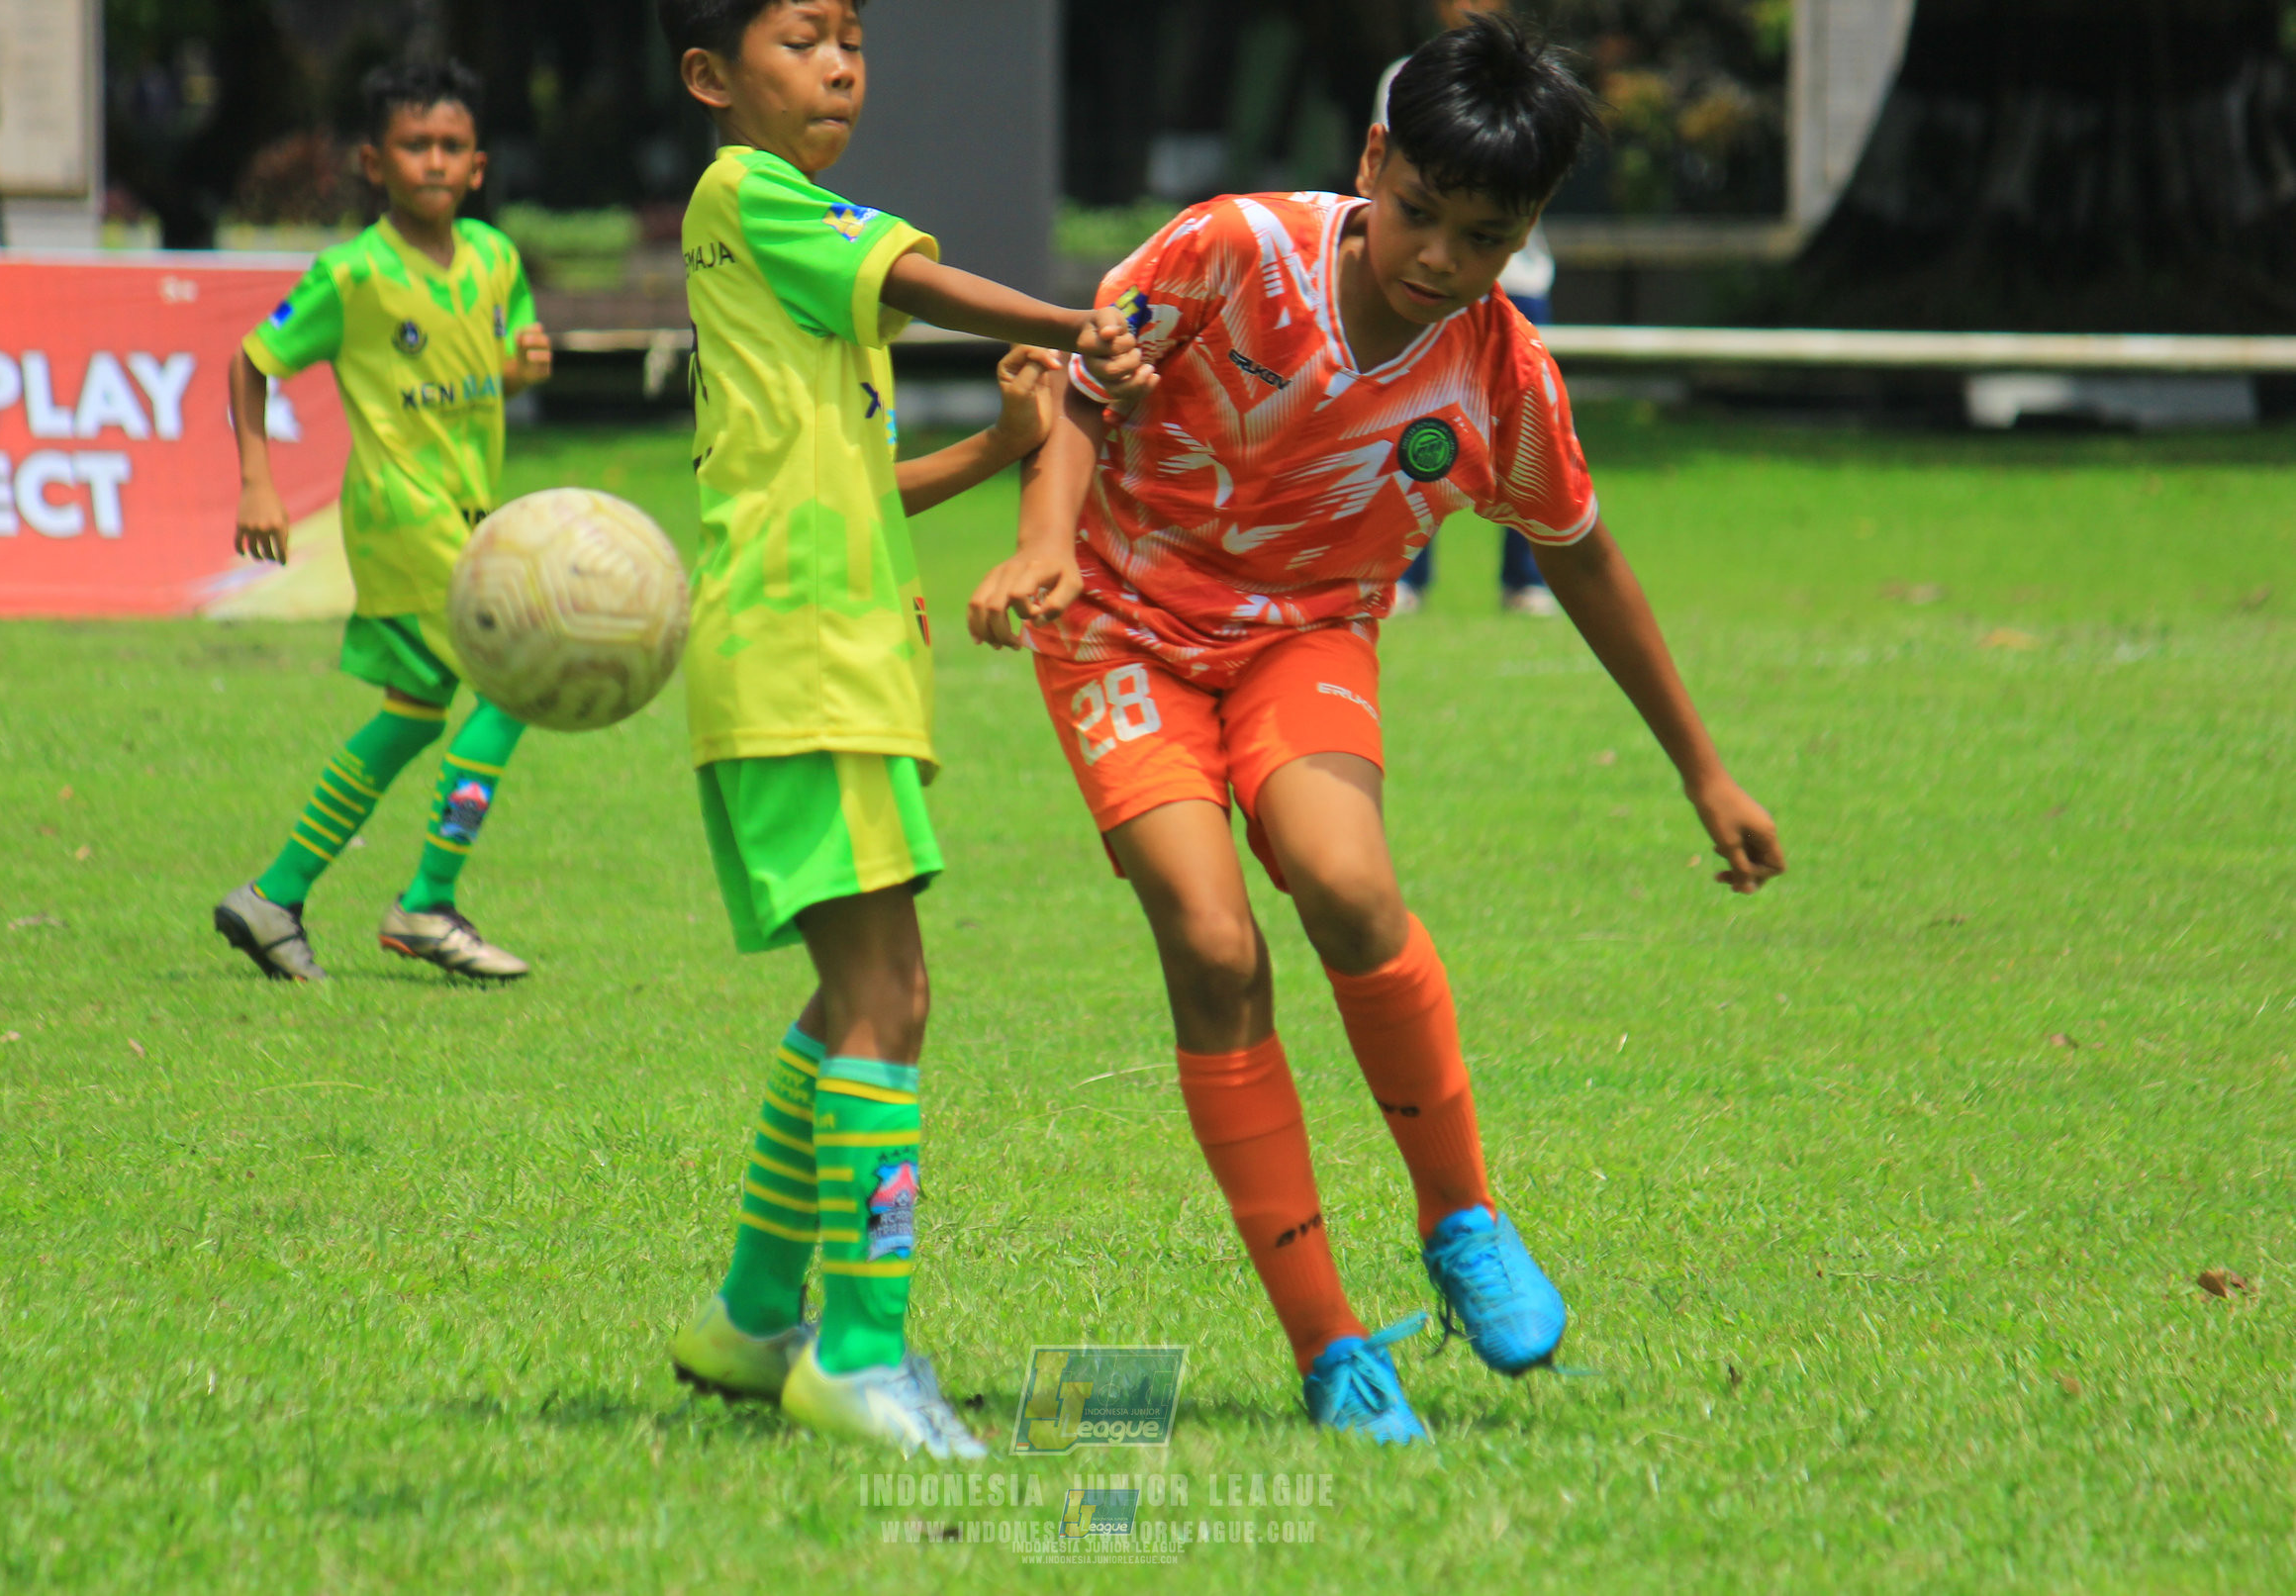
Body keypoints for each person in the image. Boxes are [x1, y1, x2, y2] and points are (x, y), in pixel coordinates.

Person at [969, 13, 1784, 1443]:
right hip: (1119, 627)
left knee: (1347, 884)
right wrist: (1045, 540)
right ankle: (1330, 1344)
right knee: (1211, 944)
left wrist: (1698, 767)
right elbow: (1081, 389)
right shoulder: (1226, 251)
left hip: (1303, 632)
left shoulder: (1497, 371)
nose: (1438, 261)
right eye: (1417, 215)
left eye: (1483, 237)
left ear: (1522, 234)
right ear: (1370, 166)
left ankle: (1460, 1218)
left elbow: (1583, 556)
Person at [650, 0, 1149, 1457]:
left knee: (847, 998)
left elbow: (851, 481)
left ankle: (748, 1322)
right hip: (805, 658)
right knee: (890, 1003)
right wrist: (1076, 325)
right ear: (709, 77)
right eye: (801, 38)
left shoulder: (778, 246)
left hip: (829, 655)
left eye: (853, 39)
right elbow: (920, 282)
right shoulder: (750, 192)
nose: (840, 66)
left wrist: (1000, 451)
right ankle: (857, 1355)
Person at [215, 59, 554, 984]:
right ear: (376, 162)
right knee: (517, 681)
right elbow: (252, 362)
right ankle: (428, 901)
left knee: (412, 716)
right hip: (401, 513)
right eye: (415, 145)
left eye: (451, 146)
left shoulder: (495, 259)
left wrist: (525, 361)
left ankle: (273, 896)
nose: (434, 161)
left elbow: (505, 364)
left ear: (478, 165)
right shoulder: (352, 273)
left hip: (472, 510)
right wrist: (258, 481)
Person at [1381, 0, 1561, 619]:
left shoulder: (1542, 92)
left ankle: (1527, 577)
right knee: (1412, 423)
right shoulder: (1406, 78)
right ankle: (1403, 574)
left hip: (1522, 283)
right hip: (1429, 293)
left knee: (1528, 435)